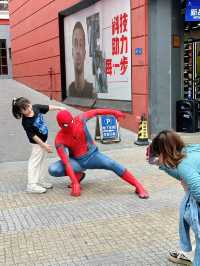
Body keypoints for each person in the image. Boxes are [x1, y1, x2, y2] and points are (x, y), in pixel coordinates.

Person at [48, 109, 149, 199]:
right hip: (77, 162)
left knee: (112, 164)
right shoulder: (59, 139)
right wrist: (75, 183)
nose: (70, 126)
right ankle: (78, 175)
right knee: (53, 169)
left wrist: (114, 112)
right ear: (60, 125)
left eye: (71, 122)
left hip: (93, 156)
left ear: (73, 119)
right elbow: (66, 162)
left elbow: (96, 112)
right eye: (66, 125)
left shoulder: (80, 120)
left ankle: (138, 186)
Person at [147, 130, 200, 265]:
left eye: (159, 155)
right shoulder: (192, 150)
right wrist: (161, 164)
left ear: (164, 153)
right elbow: (184, 172)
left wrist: (189, 188)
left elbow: (198, 190)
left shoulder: (184, 165)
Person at [12, 97, 66, 194]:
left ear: (30, 103)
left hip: (43, 142)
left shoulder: (35, 108)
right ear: (20, 112)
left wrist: (59, 108)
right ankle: (31, 185)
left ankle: (40, 181)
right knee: (34, 162)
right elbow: (33, 136)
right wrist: (44, 145)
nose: (29, 109)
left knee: (42, 162)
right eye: (25, 109)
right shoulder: (26, 122)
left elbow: (48, 107)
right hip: (37, 144)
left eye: (28, 106)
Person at [68, 21, 96, 98]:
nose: (78, 51)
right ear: (72, 52)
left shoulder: (92, 92)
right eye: (75, 44)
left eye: (81, 45)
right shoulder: (69, 90)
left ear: (85, 53)